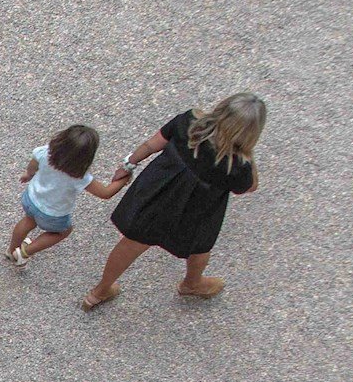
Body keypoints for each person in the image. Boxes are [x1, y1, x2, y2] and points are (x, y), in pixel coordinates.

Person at [83, 93, 264, 310]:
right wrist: (247, 154)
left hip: (156, 196)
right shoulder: (236, 166)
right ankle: (192, 283)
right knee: (200, 249)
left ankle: (99, 291)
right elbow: (250, 186)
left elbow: (152, 145)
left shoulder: (188, 122)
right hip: (196, 213)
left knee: (131, 244)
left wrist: (129, 164)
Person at [7, 125, 128, 267]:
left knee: (28, 221)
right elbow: (106, 193)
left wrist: (29, 174)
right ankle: (25, 252)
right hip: (53, 213)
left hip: (31, 198)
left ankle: (11, 250)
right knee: (63, 232)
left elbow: (33, 164)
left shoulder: (46, 152)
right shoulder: (79, 177)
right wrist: (124, 179)